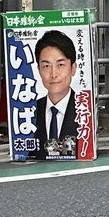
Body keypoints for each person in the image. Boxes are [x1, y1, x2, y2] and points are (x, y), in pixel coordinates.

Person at [33, 29, 79, 157]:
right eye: (46, 66)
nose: (53, 74)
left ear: (73, 68)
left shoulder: (84, 109)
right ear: (39, 70)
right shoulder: (30, 111)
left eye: (60, 65)